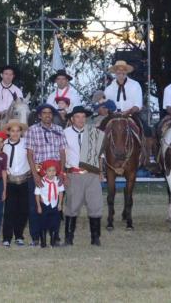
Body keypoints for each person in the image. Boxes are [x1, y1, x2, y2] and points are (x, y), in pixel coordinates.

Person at [25, 104, 67, 247]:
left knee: (55, 205)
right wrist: (35, 174)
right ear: (39, 115)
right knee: (35, 205)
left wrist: (61, 172)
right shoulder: (32, 130)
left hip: (55, 173)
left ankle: (55, 236)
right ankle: (36, 236)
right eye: (44, 113)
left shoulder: (59, 130)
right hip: (39, 171)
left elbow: (62, 152)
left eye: (50, 113)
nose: (47, 115)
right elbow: (29, 154)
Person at [62, 106, 104, 247]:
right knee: (72, 206)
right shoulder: (65, 133)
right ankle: (69, 239)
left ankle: (95, 238)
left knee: (95, 205)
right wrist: (64, 174)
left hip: (92, 174)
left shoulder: (94, 132)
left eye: (83, 117)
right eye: (77, 117)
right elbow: (63, 155)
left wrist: (101, 172)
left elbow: (100, 155)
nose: (81, 119)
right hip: (74, 174)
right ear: (72, 119)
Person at [1, 119, 30, 247]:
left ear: (21, 132)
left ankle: (19, 236)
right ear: (8, 132)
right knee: (9, 210)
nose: (15, 134)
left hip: (24, 180)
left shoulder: (26, 143)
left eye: (18, 131)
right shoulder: (3, 145)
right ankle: (7, 237)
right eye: (12, 131)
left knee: (23, 210)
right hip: (10, 180)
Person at [103, 60, 148, 135]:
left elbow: (138, 105)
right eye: (118, 70)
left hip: (131, 115)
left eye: (123, 70)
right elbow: (105, 106)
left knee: (147, 131)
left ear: (126, 72)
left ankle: (145, 146)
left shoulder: (135, 85)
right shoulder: (109, 89)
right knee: (98, 129)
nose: (121, 72)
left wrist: (128, 112)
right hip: (113, 117)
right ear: (115, 72)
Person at [34, 160, 65, 248]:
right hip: (44, 205)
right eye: (49, 171)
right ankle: (43, 243)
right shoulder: (41, 181)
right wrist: (39, 206)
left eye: (54, 171)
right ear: (45, 171)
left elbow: (61, 192)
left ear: (56, 171)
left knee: (55, 223)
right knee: (43, 224)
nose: (52, 173)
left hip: (54, 205)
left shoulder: (58, 181)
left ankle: (53, 242)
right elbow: (37, 194)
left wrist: (60, 204)